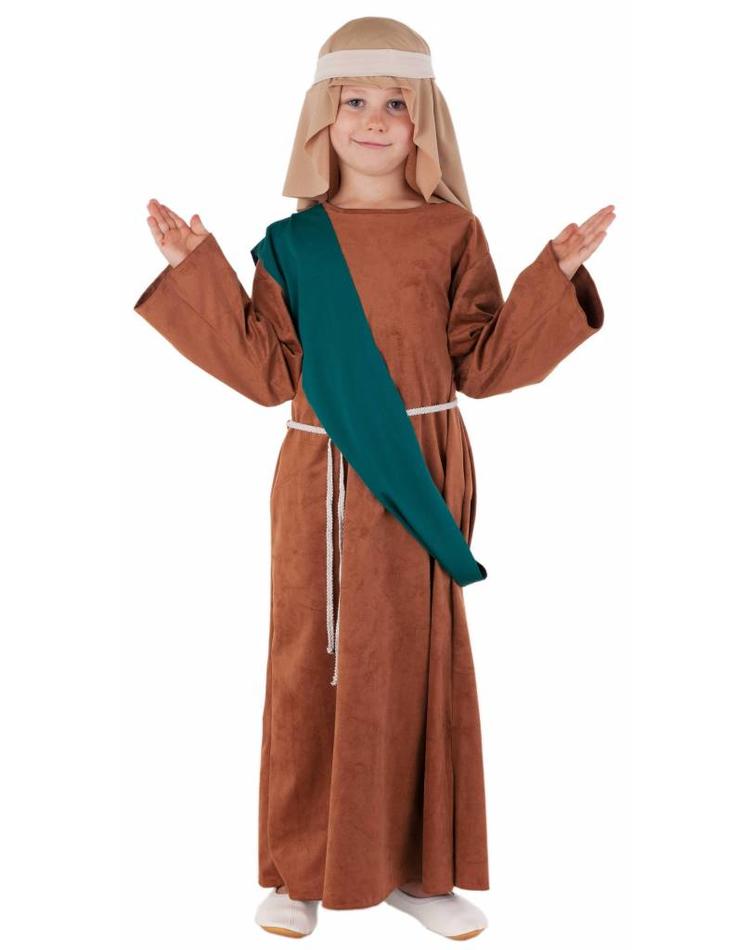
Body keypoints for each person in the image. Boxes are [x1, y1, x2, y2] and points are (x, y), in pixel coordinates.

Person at [133, 15, 614, 941]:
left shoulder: (453, 231)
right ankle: (299, 870)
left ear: (425, 121)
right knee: (308, 662)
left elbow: (485, 365)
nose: (374, 120)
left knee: (416, 662)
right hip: (319, 471)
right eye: (354, 100)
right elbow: (268, 372)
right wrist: (200, 273)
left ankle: (420, 871)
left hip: (421, 471)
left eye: (396, 103)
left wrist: (551, 277)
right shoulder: (293, 244)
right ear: (322, 117)